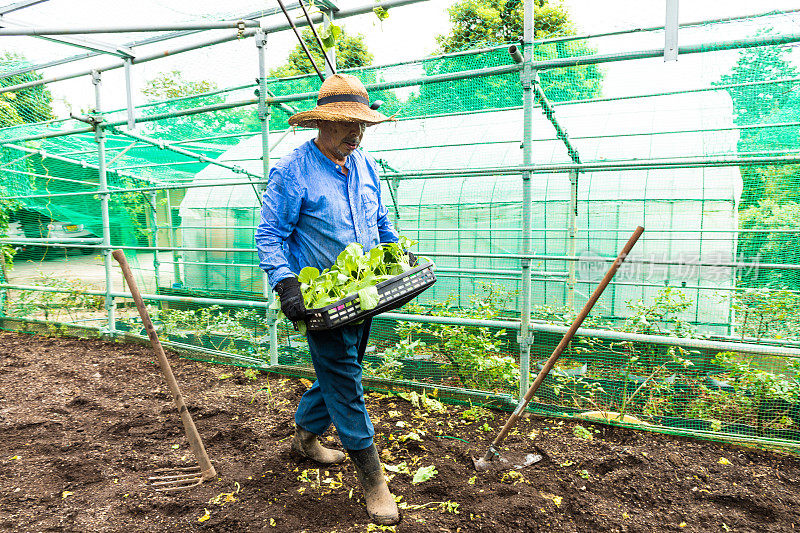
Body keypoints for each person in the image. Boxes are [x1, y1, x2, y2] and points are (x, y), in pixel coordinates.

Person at [255, 74, 402, 526]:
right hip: (322, 302)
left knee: (343, 369)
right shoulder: (293, 170)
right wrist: (286, 284)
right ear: (322, 124)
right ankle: (373, 480)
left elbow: (380, 223)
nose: (355, 135)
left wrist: (398, 255)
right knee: (346, 384)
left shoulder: (365, 166)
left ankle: (304, 435)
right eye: (346, 126)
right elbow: (269, 234)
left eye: (361, 126)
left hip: (364, 293)